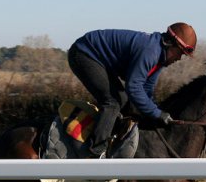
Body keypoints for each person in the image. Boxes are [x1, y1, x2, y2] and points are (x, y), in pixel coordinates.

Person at [68, 22, 197, 158]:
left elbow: (146, 90)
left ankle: (110, 139)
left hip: (98, 58)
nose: (179, 58)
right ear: (170, 43)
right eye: (180, 53)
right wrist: (156, 113)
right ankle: (95, 153)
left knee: (124, 101)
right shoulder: (151, 51)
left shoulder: (159, 57)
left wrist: (157, 112)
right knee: (114, 102)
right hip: (84, 53)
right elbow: (133, 88)